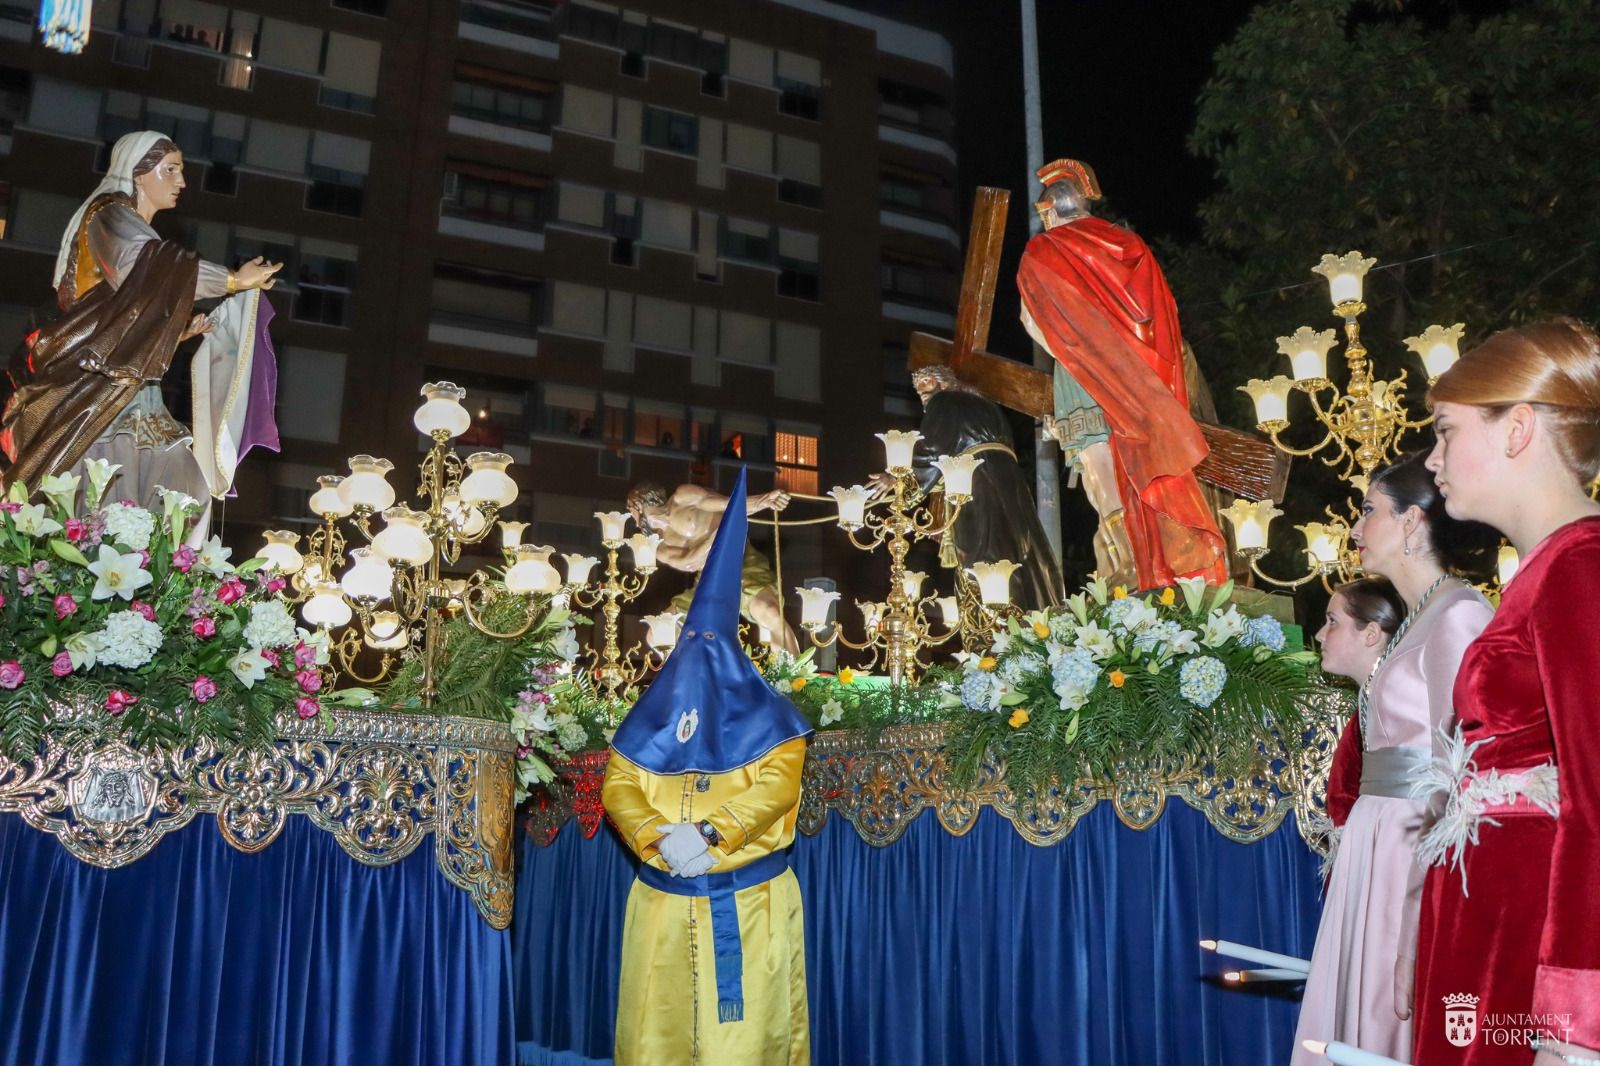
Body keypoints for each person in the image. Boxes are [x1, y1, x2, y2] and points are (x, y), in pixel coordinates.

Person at [1413, 319, 1600, 1066]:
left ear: (1518, 428)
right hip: (1489, 926)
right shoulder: (1544, 574)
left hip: (1527, 945)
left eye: (1446, 430)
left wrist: (1574, 1019)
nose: (1432, 459)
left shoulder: (1578, 569)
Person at [603, 469, 814, 1066]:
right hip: (663, 907)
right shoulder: (649, 721)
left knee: (747, 1044)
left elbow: (774, 790)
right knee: (656, 1031)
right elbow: (620, 784)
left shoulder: (772, 721)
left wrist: (707, 834)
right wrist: (655, 838)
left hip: (748, 911)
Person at [1, 130, 281, 514]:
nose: (182, 182)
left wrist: (175, 333)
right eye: (171, 170)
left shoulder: (131, 224)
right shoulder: (110, 213)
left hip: (127, 378)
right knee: (113, 484)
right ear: (137, 173)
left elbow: (129, 306)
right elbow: (144, 268)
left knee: (180, 486)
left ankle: (163, 566)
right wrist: (233, 280)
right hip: (95, 382)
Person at [1017, 157, 1228, 591]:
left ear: (1050, 210)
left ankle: (1127, 571)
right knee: (1138, 467)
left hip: (1082, 376)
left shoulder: (1045, 250)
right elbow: (1162, 321)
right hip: (1141, 381)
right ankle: (1151, 566)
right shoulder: (1131, 246)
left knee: (1101, 483)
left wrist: (1075, 348)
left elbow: (1032, 321)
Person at [1292, 576, 1434, 1064]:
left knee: (1379, 992)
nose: (1319, 634)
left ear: (1372, 633)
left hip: (1394, 853)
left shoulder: (1402, 705)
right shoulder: (1369, 702)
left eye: (1333, 621)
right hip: (1369, 852)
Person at [875, 365, 1064, 612]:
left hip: (976, 482)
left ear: (943, 383)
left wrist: (899, 479)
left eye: (927, 384)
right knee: (1016, 552)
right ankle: (1026, 616)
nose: (923, 395)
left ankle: (995, 627)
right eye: (919, 389)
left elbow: (933, 446)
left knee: (984, 555)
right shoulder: (987, 406)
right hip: (1011, 485)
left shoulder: (944, 403)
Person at [626, 479, 799, 654]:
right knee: (658, 634)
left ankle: (791, 677)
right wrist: (720, 535)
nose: (635, 523)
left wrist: (765, 500)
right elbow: (689, 562)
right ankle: (687, 678)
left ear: (638, 506)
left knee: (769, 611)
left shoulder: (683, 497)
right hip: (708, 579)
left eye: (632, 513)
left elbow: (729, 506)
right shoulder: (658, 544)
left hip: (741, 563)